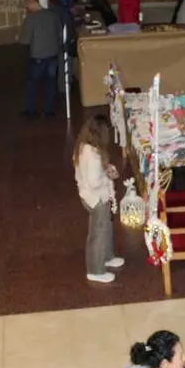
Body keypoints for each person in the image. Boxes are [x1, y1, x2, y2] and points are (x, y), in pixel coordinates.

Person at [74, 115, 124, 283]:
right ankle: (95, 269)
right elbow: (94, 182)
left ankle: (107, 256)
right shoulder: (94, 155)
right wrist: (107, 176)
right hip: (96, 198)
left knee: (105, 228)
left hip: (90, 195)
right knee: (98, 233)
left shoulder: (83, 147)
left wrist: (106, 169)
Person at [19, 0, 65, 118]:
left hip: (38, 56)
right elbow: (60, 34)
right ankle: (48, 110)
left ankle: (32, 110)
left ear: (31, 3)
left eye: (26, 5)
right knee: (50, 83)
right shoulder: (53, 15)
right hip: (53, 54)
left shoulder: (31, 18)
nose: (26, 8)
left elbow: (25, 40)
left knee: (32, 83)